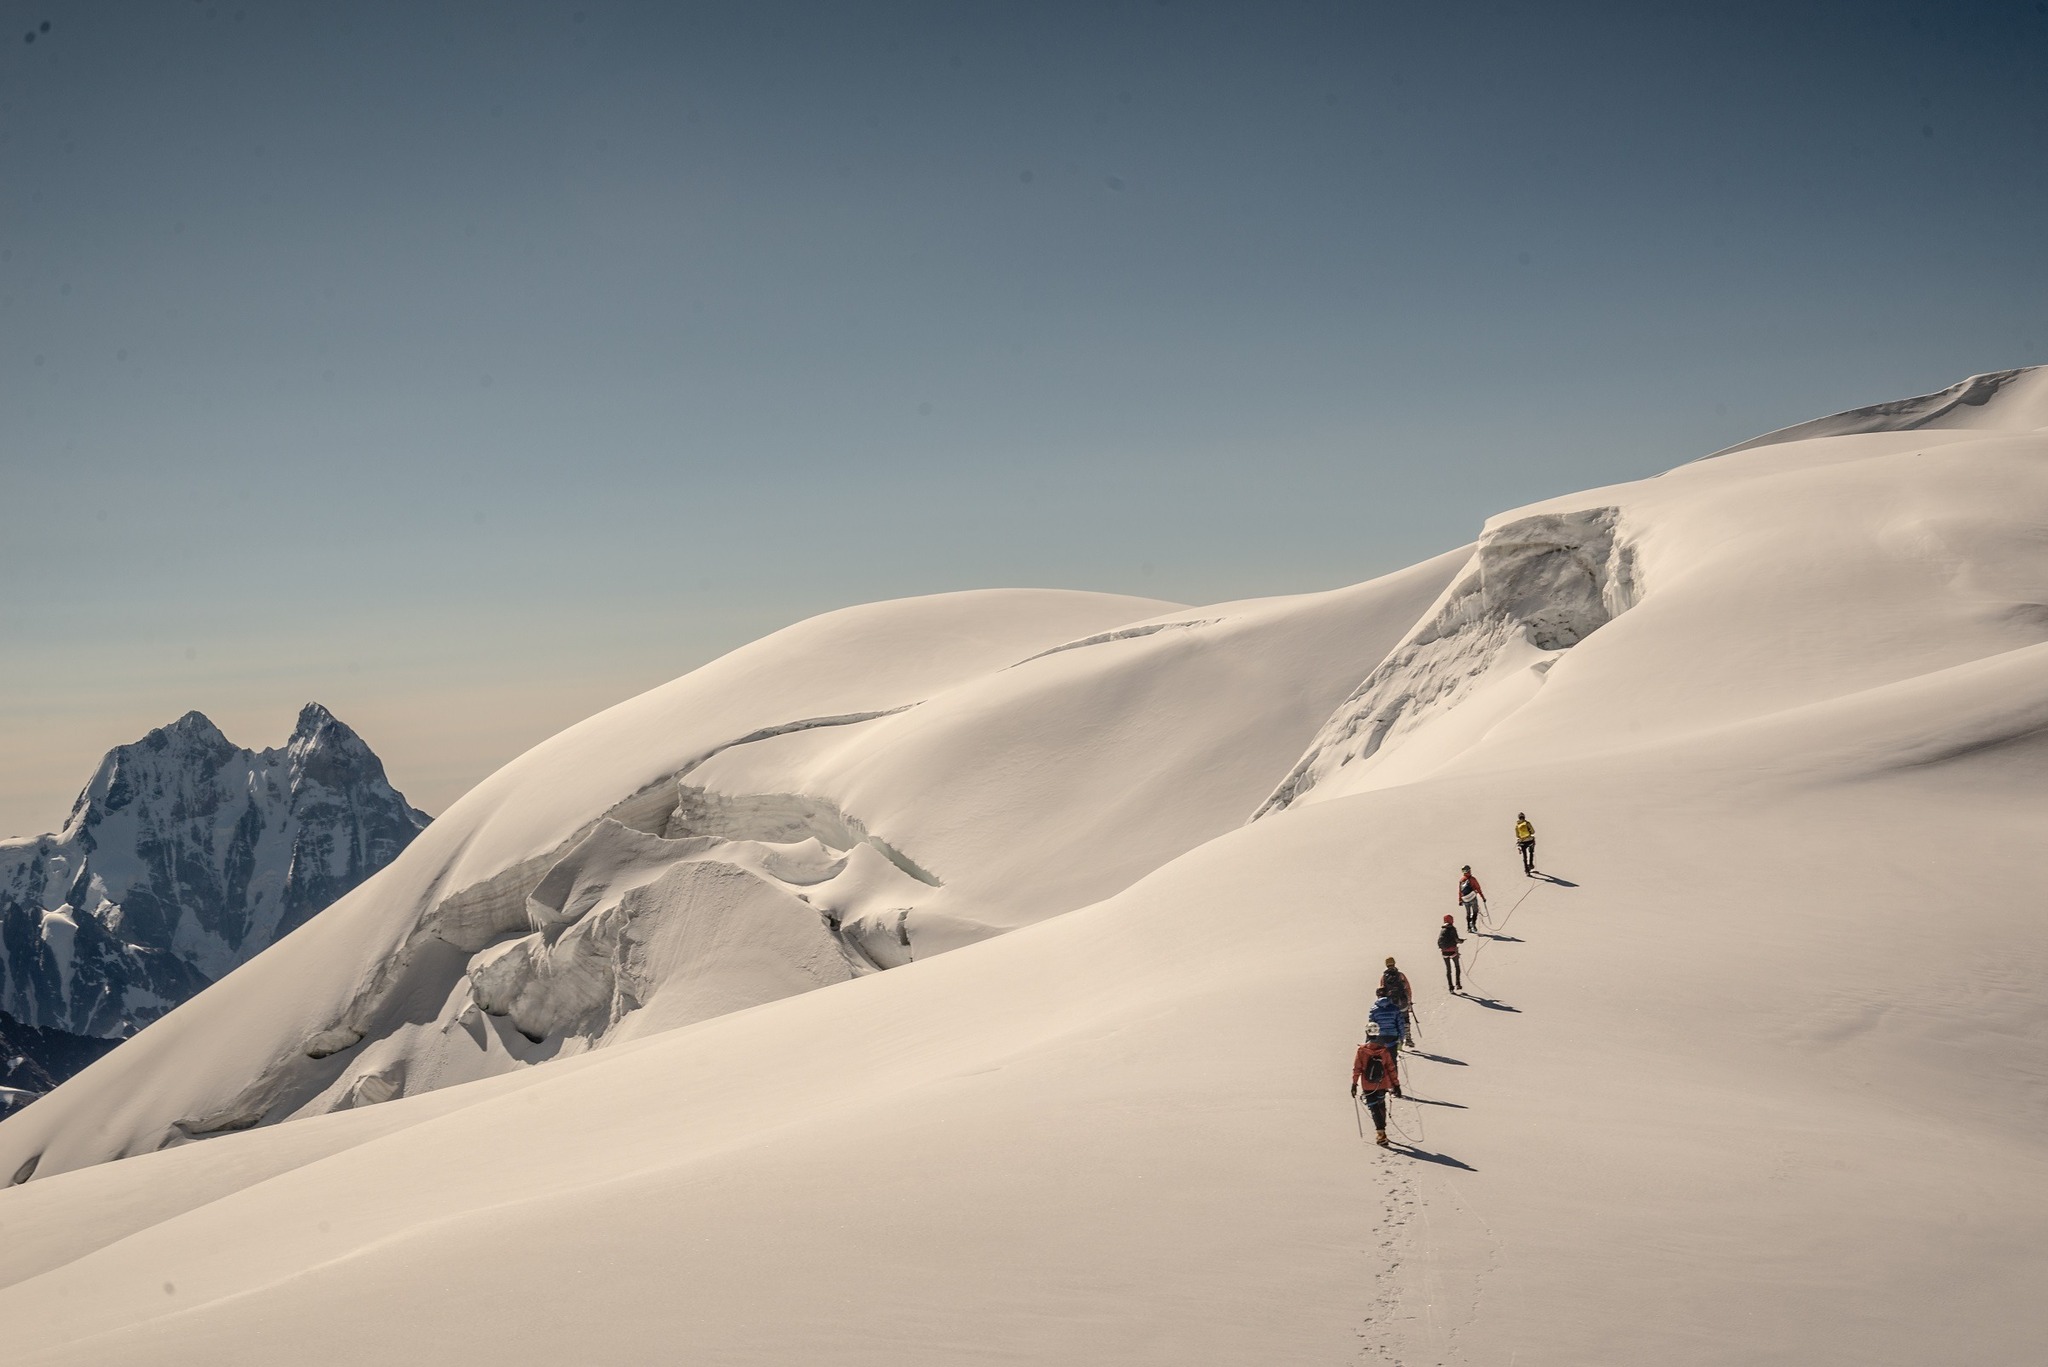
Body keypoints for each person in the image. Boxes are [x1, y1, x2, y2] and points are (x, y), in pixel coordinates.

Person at [1352, 1023, 1402, 1147]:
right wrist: (1396, 1085)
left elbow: (1357, 1068)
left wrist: (1354, 1084)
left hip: (1368, 1085)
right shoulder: (1383, 1050)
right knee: (1381, 1106)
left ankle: (1381, 1134)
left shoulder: (1361, 1051)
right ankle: (1382, 1130)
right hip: (1382, 1084)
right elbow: (1390, 1068)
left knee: (1374, 1108)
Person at [1367, 987, 1408, 1095]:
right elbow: (1400, 1024)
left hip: (1379, 1039)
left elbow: (1372, 1025)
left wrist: (1369, 1040)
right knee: (1392, 1063)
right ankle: (1395, 1086)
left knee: (1380, 1062)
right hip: (1392, 1038)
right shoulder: (1394, 1008)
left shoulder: (1374, 1009)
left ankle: (1382, 1085)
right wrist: (1402, 1037)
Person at [1438, 914, 1464, 991]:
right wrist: (1461, 941)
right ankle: (1458, 984)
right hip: (1452, 951)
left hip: (1444, 952)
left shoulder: (1442, 929)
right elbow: (1456, 939)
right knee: (1457, 967)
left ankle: (1450, 987)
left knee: (1448, 969)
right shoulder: (1452, 928)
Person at [1457, 864, 1486, 932]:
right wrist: (1483, 897)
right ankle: (1473, 924)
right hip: (1472, 897)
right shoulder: (1472, 879)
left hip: (1465, 899)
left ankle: (1468, 927)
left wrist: (1460, 900)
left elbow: (1460, 891)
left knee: (1468, 913)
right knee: (1475, 911)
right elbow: (1478, 888)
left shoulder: (1461, 880)